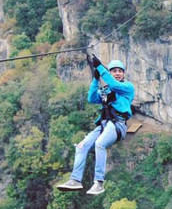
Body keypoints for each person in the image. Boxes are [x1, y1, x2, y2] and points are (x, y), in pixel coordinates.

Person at [56, 56, 135, 195]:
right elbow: (91, 98)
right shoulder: (106, 91)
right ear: (110, 73)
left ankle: (99, 183)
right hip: (105, 124)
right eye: (114, 71)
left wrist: (100, 68)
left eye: (119, 71)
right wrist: (96, 79)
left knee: (99, 144)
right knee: (81, 146)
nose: (117, 73)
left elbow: (115, 86)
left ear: (123, 74)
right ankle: (75, 180)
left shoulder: (127, 87)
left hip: (118, 124)